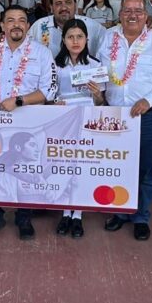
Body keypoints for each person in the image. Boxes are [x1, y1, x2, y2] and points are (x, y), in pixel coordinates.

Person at [0, 6, 58, 240]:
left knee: (25, 169)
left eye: (22, 20)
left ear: (28, 26)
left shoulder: (41, 53)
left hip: (28, 123)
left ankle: (24, 217)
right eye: (10, 20)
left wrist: (19, 100)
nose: (16, 24)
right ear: (2, 26)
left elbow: (50, 90)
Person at [102, 0, 152, 240]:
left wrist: (149, 100)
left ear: (146, 16)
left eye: (138, 11)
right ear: (120, 14)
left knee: (144, 168)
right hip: (113, 114)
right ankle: (120, 211)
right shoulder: (108, 37)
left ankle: (141, 215)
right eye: (127, 10)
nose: (132, 15)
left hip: (146, 115)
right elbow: (100, 72)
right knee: (117, 166)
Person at [51, 19, 106, 237]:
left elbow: (101, 103)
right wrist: (55, 103)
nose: (75, 41)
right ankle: (65, 211)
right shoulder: (55, 65)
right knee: (65, 166)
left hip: (86, 121)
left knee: (81, 167)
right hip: (63, 121)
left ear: (87, 39)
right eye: (71, 37)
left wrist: (96, 93)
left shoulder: (95, 65)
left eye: (80, 37)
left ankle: (78, 214)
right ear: (63, 40)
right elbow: (49, 96)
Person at [28, 0, 105, 58]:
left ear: (75, 5)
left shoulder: (94, 27)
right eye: (58, 3)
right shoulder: (38, 27)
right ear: (51, 7)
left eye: (68, 2)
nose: (64, 7)